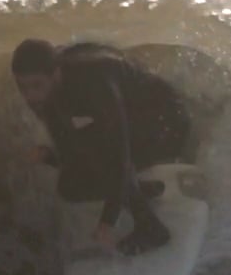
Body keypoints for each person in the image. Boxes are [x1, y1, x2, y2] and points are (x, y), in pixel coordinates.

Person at [11, 38, 190, 256]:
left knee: (103, 153)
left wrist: (108, 221)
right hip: (136, 121)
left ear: (56, 73)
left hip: (168, 122)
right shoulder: (50, 94)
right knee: (70, 188)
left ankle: (152, 229)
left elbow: (119, 155)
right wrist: (49, 156)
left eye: (37, 85)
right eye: (23, 87)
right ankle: (137, 190)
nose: (29, 95)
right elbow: (71, 157)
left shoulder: (94, 82)